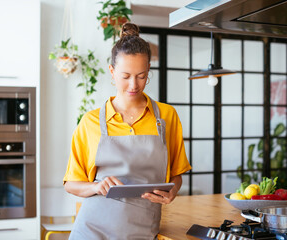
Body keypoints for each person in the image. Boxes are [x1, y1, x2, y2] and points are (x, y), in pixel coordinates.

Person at [63, 22, 191, 239]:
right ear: (112, 71)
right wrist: (97, 187)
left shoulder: (167, 116)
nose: (134, 85)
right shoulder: (91, 122)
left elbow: (176, 174)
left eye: (141, 76)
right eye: (125, 76)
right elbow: (71, 184)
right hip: (92, 230)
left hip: (142, 230)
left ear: (149, 69)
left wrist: (173, 192)